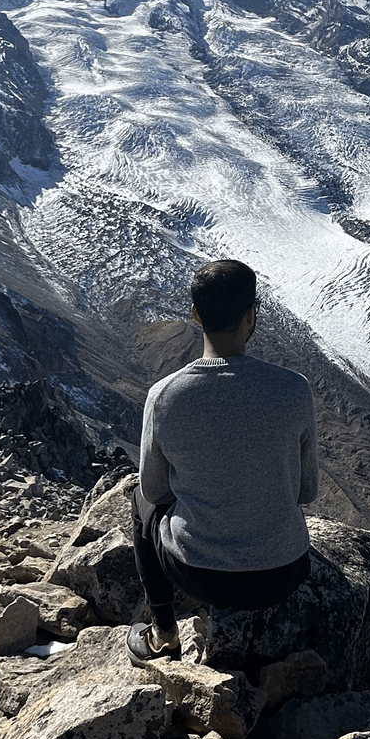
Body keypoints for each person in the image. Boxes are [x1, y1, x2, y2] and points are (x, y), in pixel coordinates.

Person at [129, 258, 317, 666]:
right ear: (252, 315)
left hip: (199, 575)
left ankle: (164, 633)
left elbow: (155, 491)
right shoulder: (294, 389)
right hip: (283, 572)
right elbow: (307, 491)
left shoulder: (165, 396)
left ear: (195, 315)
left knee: (138, 502)